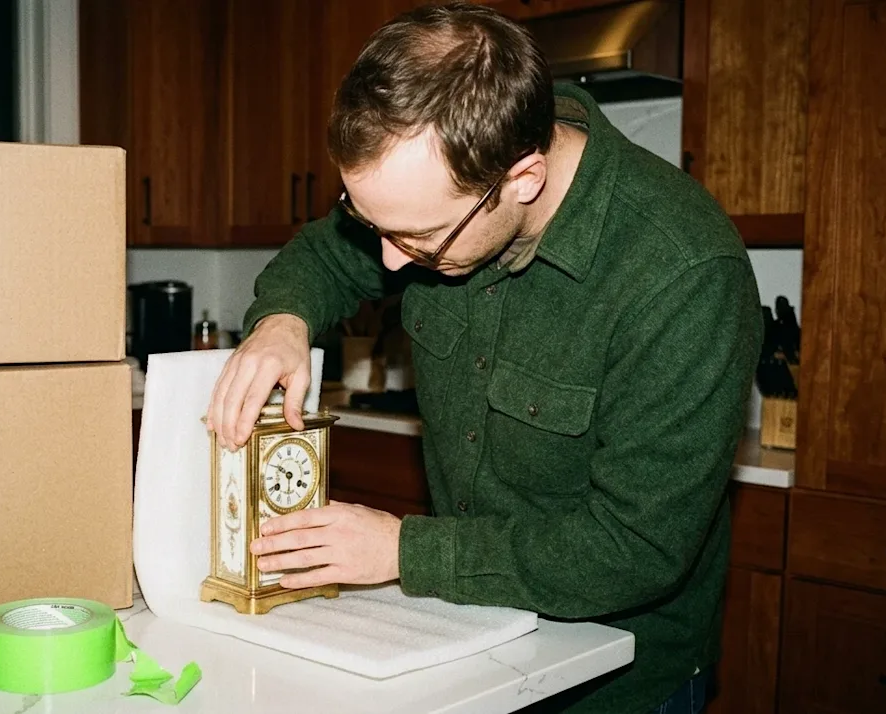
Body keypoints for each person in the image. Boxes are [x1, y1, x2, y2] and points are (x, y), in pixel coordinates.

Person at [204, 3, 761, 713]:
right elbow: (327, 257)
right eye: (371, 222)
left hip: (616, 678)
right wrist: (282, 320)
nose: (386, 258)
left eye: (418, 239)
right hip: (468, 637)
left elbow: (634, 548)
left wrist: (402, 553)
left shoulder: (683, 275)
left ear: (523, 178)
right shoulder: (442, 196)